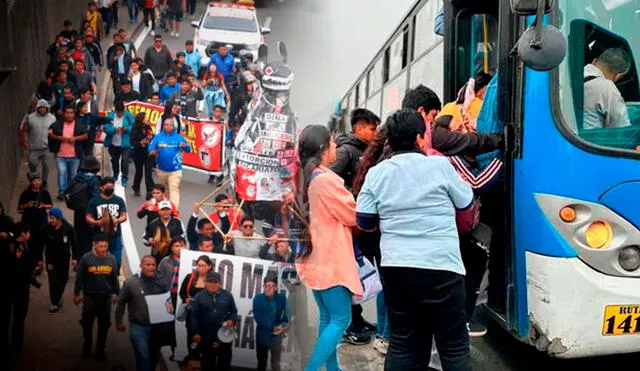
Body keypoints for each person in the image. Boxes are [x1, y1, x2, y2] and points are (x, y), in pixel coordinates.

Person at [356, 109, 474, 370]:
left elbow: (364, 220)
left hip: (397, 269)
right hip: (443, 268)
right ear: (421, 138)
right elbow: (466, 202)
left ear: (390, 140)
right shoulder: (441, 165)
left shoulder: (377, 173)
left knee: (402, 343)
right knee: (453, 348)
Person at [295, 125, 363, 370]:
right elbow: (353, 215)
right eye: (333, 143)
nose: (337, 147)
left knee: (328, 318)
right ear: (323, 148)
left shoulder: (307, 177)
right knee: (341, 320)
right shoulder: (325, 182)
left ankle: (333, 369)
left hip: (315, 260)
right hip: (331, 262)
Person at [402, 84, 503, 156]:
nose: (433, 123)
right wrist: (502, 138)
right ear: (421, 111)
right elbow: (468, 142)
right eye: (433, 116)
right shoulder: (430, 133)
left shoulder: (392, 138)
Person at [116, 255, 173, 371]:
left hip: (157, 327)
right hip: (139, 326)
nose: (151, 267)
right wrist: (118, 321)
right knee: (143, 355)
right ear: (141, 266)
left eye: (153, 265)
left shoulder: (162, 282)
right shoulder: (131, 283)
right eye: (147, 264)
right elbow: (121, 302)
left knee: (154, 357)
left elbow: (168, 301)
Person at [74, 233, 120, 360]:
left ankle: (100, 350)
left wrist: (117, 294)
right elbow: (79, 278)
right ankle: (87, 346)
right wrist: (77, 294)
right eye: (100, 246)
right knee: (87, 323)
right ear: (94, 245)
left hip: (106, 298)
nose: (103, 249)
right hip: (89, 297)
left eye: (105, 246)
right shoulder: (86, 259)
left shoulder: (112, 260)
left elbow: (114, 278)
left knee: (104, 325)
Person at [0, 222, 37, 356]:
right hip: (8, 288)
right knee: (5, 317)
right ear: (22, 233)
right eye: (28, 232)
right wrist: (16, 260)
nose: (29, 235)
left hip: (22, 289)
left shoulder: (26, 245)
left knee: (19, 318)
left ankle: (17, 344)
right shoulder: (7, 246)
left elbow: (29, 264)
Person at [191, 272, 238, 371]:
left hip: (224, 336)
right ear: (205, 283)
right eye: (210, 281)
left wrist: (231, 320)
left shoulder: (228, 295)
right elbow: (194, 316)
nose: (213, 284)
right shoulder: (199, 296)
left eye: (215, 282)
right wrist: (195, 333)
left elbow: (234, 311)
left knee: (224, 365)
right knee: (207, 365)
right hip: (205, 337)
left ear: (220, 283)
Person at [583, 47, 632, 129]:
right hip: (588, 141)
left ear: (594, 61)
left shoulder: (573, 75)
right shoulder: (607, 87)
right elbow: (621, 128)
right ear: (618, 76)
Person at [330, 108, 380, 190]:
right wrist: (348, 194)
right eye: (372, 129)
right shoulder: (345, 151)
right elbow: (330, 178)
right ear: (359, 129)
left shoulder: (370, 149)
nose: (376, 133)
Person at [41, 207, 79, 312]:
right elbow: (41, 245)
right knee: (52, 280)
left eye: (53, 218)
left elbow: (74, 244)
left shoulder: (69, 229)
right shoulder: (46, 229)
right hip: (50, 260)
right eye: (50, 218)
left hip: (64, 259)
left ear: (59, 218)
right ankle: (54, 302)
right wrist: (40, 259)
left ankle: (58, 297)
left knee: (63, 279)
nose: (51, 220)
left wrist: (75, 258)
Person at [148, 117, 191, 208]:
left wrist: (185, 146)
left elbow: (188, 149)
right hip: (161, 169)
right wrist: (152, 151)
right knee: (163, 192)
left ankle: (174, 211)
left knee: (174, 190)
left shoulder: (179, 137)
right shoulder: (158, 137)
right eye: (165, 125)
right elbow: (150, 148)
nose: (167, 127)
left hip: (175, 170)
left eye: (170, 125)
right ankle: (163, 209)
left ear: (173, 126)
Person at [86, 177, 128, 269]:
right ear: (101, 187)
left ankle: (114, 278)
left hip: (115, 235)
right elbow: (88, 216)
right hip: (99, 235)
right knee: (99, 261)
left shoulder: (119, 200)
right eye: (107, 186)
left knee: (116, 261)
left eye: (111, 186)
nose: (110, 188)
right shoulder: (94, 201)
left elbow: (124, 215)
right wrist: (96, 222)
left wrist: (118, 220)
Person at [179, 254, 212, 358]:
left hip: (206, 317)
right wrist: (186, 299)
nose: (200, 268)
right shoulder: (190, 277)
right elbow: (182, 292)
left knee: (205, 343)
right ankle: (192, 359)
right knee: (191, 339)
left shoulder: (212, 280)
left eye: (203, 266)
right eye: (198, 265)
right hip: (192, 315)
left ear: (209, 266)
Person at [253, 275, 288, 371]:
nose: (268, 289)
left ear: (276, 287)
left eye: (271, 286)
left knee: (276, 363)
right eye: (266, 286)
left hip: (276, 336)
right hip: (263, 334)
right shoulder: (258, 298)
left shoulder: (282, 298)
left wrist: (282, 326)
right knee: (261, 363)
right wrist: (272, 328)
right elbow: (258, 318)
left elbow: (287, 314)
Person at [69, 156, 102, 256]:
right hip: (90, 212)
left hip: (78, 211)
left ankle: (77, 258)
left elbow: (67, 191)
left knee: (78, 235)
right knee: (89, 237)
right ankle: (87, 258)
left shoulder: (77, 178)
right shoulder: (95, 181)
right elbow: (97, 197)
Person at [18, 172, 53, 264]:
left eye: (39, 180)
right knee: (30, 241)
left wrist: (43, 205)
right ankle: (32, 261)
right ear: (30, 182)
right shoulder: (25, 193)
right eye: (34, 181)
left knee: (41, 242)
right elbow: (19, 207)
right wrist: (27, 205)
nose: (37, 182)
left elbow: (50, 205)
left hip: (41, 220)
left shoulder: (44, 193)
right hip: (28, 220)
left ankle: (40, 261)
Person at [24, 100, 56, 190]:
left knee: (46, 165)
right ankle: (34, 179)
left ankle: (44, 182)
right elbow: (26, 130)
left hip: (47, 147)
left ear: (47, 108)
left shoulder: (52, 118)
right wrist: (26, 141)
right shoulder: (30, 118)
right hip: (34, 147)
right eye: (40, 108)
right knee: (32, 163)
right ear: (37, 108)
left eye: (44, 108)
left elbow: (55, 131)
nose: (42, 109)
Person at [104, 101, 134, 185]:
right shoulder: (110, 116)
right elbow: (105, 128)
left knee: (125, 160)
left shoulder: (128, 115)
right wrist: (114, 130)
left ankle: (124, 177)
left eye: (121, 112)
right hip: (113, 143)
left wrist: (126, 129)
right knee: (114, 160)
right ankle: (115, 174)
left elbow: (134, 126)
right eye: (118, 112)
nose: (119, 114)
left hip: (125, 143)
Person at [158, 237, 188, 306]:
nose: (180, 248)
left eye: (182, 245)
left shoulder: (190, 260)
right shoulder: (165, 261)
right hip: (169, 294)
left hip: (184, 295)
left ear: (185, 246)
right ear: (171, 248)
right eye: (176, 246)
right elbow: (158, 278)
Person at [131, 112, 155, 197]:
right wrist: (140, 143)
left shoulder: (148, 127)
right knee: (139, 172)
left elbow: (153, 135)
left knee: (148, 172)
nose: (147, 119)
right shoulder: (135, 128)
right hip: (138, 153)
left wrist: (150, 138)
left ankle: (150, 191)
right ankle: (136, 187)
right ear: (141, 119)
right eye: (146, 118)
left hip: (147, 153)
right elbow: (133, 141)